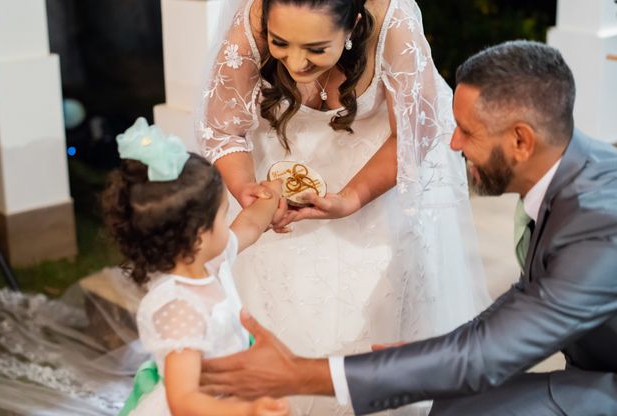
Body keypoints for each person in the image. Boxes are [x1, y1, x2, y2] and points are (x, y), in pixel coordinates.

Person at [200, 41, 617, 415]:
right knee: (449, 395)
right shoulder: (579, 171)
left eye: (468, 132)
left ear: (521, 141)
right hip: (595, 366)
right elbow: (524, 308)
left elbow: (486, 354)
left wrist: (297, 375)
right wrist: (432, 355)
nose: (453, 144)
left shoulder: (599, 226)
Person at [198, 0, 489, 413]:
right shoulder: (253, 16)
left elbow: (413, 138)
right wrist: (247, 190)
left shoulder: (392, 23)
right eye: (280, 44)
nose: (295, 63)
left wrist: (350, 199)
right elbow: (223, 129)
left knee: (367, 302)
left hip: (378, 168)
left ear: (353, 26)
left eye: (316, 49)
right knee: (275, 291)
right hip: (282, 164)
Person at [101, 118, 290, 416]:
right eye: (223, 214)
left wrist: (273, 193)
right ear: (198, 235)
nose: (228, 222)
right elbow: (184, 399)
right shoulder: (179, 307)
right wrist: (246, 411)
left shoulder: (209, 261)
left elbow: (252, 224)